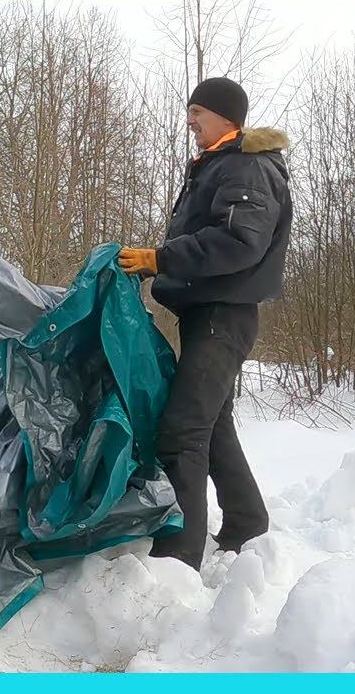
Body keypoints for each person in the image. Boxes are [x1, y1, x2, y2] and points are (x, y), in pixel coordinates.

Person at [117, 76, 293, 571]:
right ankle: (247, 524)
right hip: (210, 314)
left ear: (224, 116)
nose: (190, 120)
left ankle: (178, 560)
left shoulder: (246, 166)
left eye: (198, 111)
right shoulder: (219, 165)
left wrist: (161, 258)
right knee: (212, 429)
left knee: (182, 432)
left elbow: (239, 242)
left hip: (223, 316)